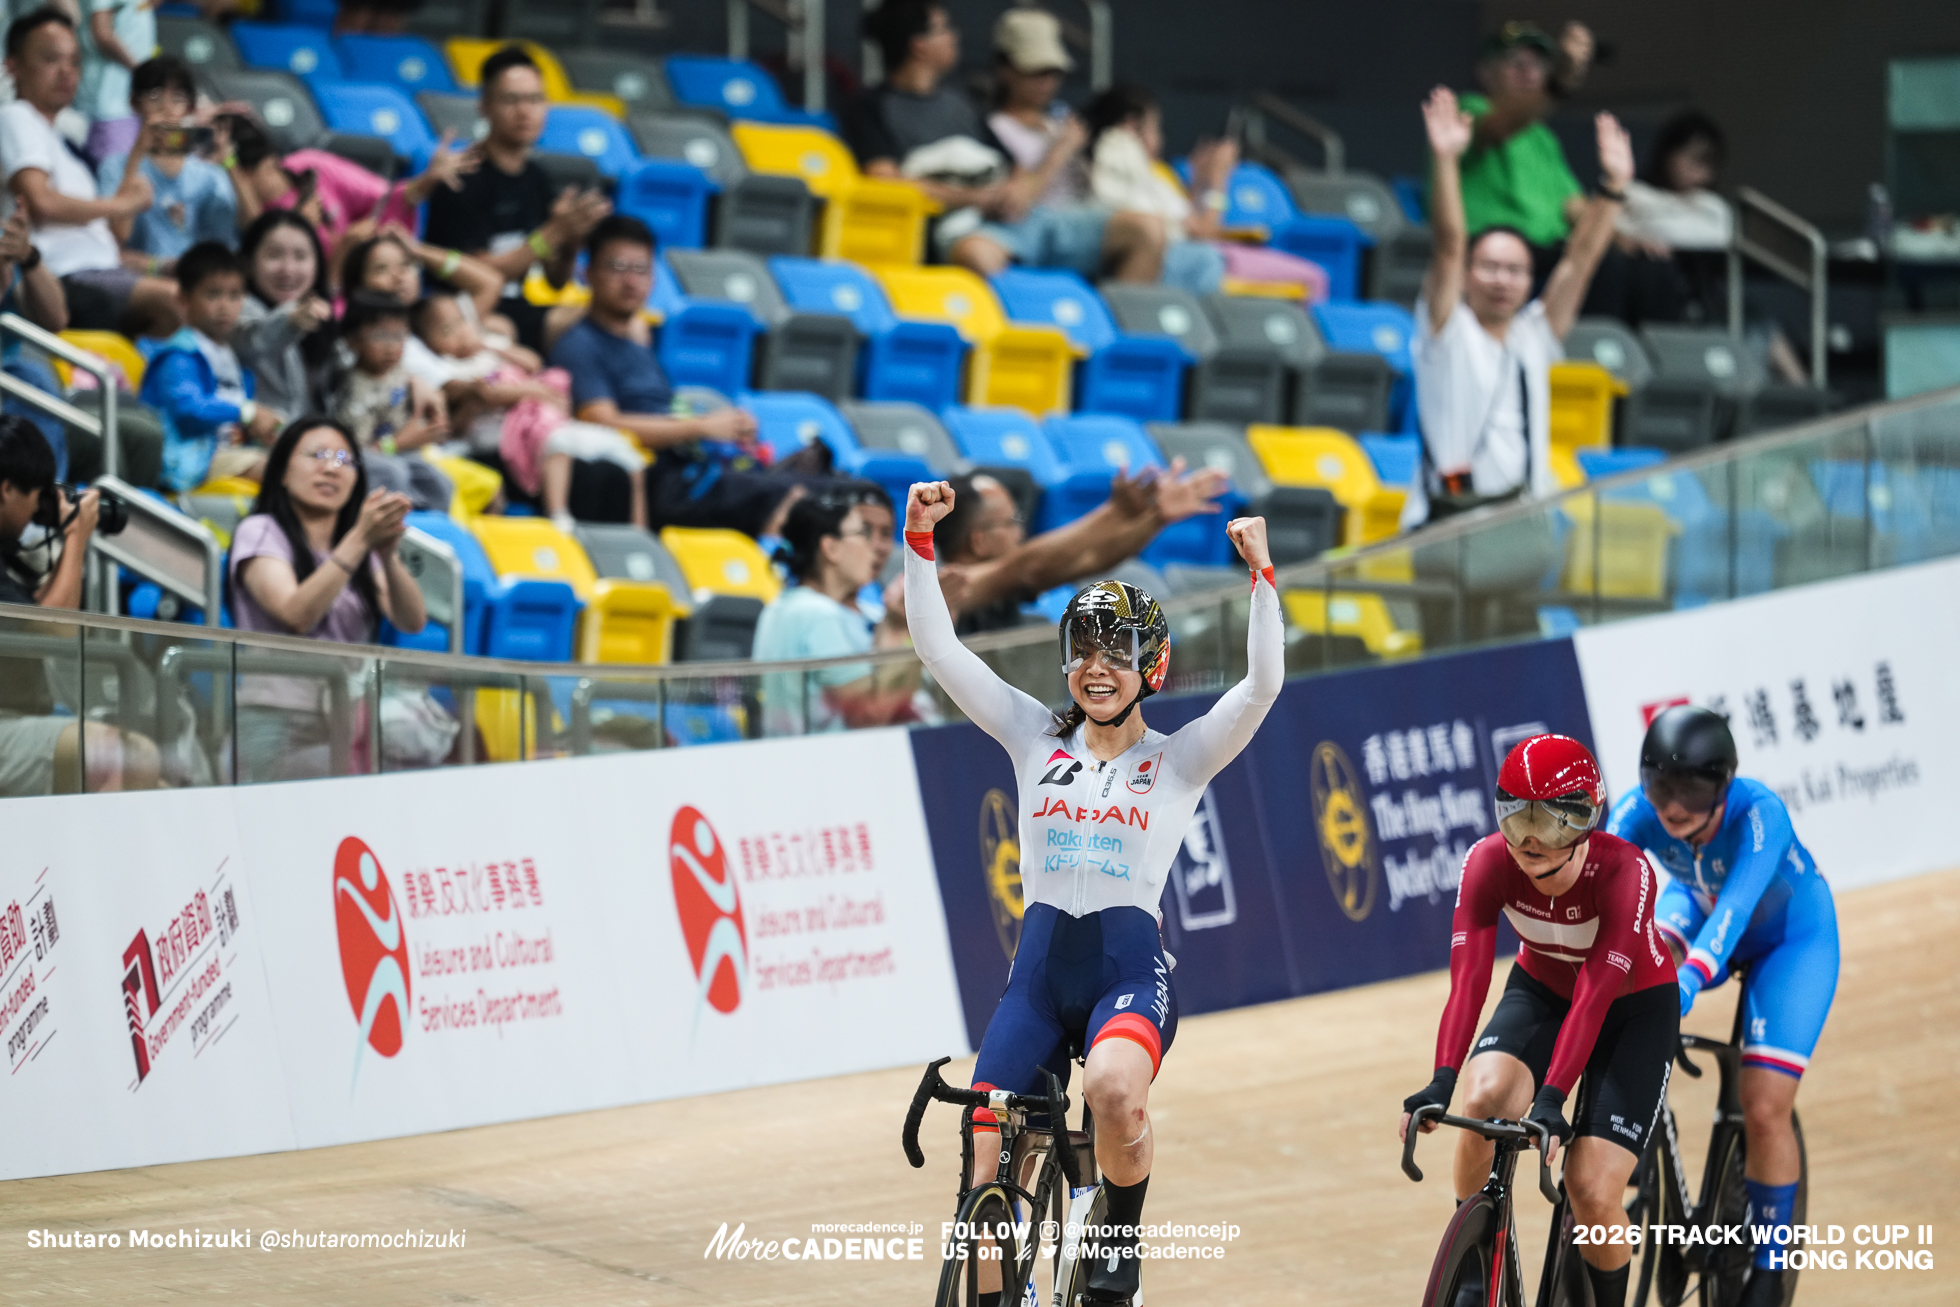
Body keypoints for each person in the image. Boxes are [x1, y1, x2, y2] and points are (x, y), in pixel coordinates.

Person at [905, 479, 1281, 1306]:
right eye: (1082, 650)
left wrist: (1261, 577)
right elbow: (939, 650)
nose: (1095, 668)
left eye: (1115, 653)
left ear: (1151, 665)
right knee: (984, 1161)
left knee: (1112, 1089)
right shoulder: (1032, 735)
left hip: (1126, 973)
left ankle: (1118, 1241)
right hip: (1038, 979)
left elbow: (1260, 688)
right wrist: (918, 540)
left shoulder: (1179, 758)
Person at [1398, 734, 1678, 1307]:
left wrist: (1551, 1097)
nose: (1529, 839)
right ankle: (1475, 1273)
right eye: (1516, 816)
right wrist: (1442, 1079)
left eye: (1548, 823)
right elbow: (1468, 984)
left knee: (1590, 1189)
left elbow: (1595, 996)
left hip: (1631, 1009)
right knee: (1483, 1102)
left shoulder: (1626, 872)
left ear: (1585, 820)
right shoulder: (1487, 862)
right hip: (1542, 989)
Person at [1604, 706, 1838, 1307]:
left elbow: (1731, 918)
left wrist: (1680, 987)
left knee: (1763, 1106)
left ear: (1725, 785)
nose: (1674, 806)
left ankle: (1770, 1269)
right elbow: (1594, 890)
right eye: (1661, 787)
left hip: (1789, 940)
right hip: (1698, 904)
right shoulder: (1637, 812)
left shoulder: (1761, 815)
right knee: (1632, 972)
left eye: (1692, 791)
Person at [1408, 86, 1630, 525]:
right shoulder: (1447, 331)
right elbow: (1449, 246)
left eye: (1515, 270)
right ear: (1467, 276)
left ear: (1530, 282)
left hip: (1523, 525)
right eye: (1489, 267)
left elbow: (1580, 261)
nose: (1502, 280)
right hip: (1448, 525)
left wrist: (1614, 187)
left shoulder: (1534, 336)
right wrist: (1446, 160)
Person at [845, 0, 1164, 283]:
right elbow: (885, 183)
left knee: (1146, 231)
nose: (955, 36)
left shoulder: (962, 105)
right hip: (965, 227)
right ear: (919, 45)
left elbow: (1013, 170)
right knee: (978, 257)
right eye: (945, 29)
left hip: (1027, 218)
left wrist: (1015, 193)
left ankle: (1112, 330)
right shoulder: (871, 107)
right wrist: (978, 199)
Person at [552, 214, 831, 534]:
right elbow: (602, 422)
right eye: (617, 267)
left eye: (641, 269)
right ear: (588, 273)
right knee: (793, 498)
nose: (630, 281)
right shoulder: (579, 344)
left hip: (693, 467)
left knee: (836, 489)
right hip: (660, 480)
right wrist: (702, 427)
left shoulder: (638, 341)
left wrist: (723, 429)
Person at [228, 418, 425, 782]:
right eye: (317, 455)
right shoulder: (259, 532)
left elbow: (412, 621)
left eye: (343, 459)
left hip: (347, 719)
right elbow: (296, 614)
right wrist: (360, 539)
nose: (331, 468)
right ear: (282, 471)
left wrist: (387, 556)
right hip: (275, 719)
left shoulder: (359, 548)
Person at [0, 413, 160, 794]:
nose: (37, 513)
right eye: (37, 496)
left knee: (159, 785)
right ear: (5, 490)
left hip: (18, 717)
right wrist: (76, 538)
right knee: (130, 756)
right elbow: (57, 631)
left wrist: (70, 537)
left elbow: (38, 614)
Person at [420, 44, 611, 353]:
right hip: (461, 311)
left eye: (535, 99)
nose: (525, 111)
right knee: (503, 329)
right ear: (484, 106)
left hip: (518, 308)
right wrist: (554, 232)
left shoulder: (537, 177)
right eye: (511, 100)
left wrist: (570, 244)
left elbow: (556, 281)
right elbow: (484, 274)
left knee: (614, 321)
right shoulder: (463, 177)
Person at [0, 7, 176, 334]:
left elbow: (116, 235)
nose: (66, 72)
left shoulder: (67, 145)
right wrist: (121, 204)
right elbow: (40, 202)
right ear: (12, 65)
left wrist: (136, 156)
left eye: (75, 62)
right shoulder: (15, 116)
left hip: (104, 271)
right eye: (51, 59)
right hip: (65, 278)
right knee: (178, 302)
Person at [411, 290, 643, 529]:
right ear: (427, 344)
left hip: (544, 419)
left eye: (461, 322)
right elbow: (490, 394)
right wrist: (533, 391)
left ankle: (639, 533)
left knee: (626, 452)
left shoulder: (490, 348)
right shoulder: (448, 371)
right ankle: (559, 519)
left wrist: (491, 347)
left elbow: (533, 363)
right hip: (502, 434)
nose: (460, 333)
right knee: (560, 442)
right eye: (446, 330)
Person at [927, 464, 1228, 634]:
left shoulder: (1006, 587)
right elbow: (1026, 567)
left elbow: (1093, 557)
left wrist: (1155, 518)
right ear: (979, 541)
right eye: (1012, 521)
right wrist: (1114, 513)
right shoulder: (942, 590)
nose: (1021, 531)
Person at [214, 112, 476, 278]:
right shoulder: (236, 205)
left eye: (272, 168)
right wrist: (312, 231)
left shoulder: (311, 165)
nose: (274, 182)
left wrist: (427, 181)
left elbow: (386, 200)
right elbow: (255, 230)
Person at [753, 491, 917, 734]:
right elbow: (868, 716)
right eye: (863, 533)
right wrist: (905, 632)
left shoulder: (783, 606)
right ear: (830, 547)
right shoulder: (818, 614)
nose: (874, 547)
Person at [138, 240, 284, 491]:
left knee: (306, 458)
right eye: (213, 294)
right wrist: (247, 413)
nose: (225, 306)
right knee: (278, 471)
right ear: (183, 299)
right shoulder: (180, 355)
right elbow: (188, 408)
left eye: (234, 295)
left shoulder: (231, 357)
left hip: (225, 454)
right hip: (187, 464)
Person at [1083, 84, 1251, 297]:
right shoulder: (1121, 157)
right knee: (1207, 260)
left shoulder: (1147, 171)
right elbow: (1204, 233)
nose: (1160, 139)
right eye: (1154, 128)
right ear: (1131, 125)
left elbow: (1187, 220)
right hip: (1141, 264)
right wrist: (1219, 179)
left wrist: (1200, 181)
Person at [1448, 21, 1596, 255]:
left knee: (1636, 265)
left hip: (1550, 251)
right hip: (1492, 250)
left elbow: (1573, 206)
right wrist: (1558, 83)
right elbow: (1497, 128)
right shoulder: (1467, 109)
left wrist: (1621, 236)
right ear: (1485, 72)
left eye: (1538, 65)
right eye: (1516, 63)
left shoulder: (1543, 137)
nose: (1529, 72)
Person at [97, 57, 237, 275]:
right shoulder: (114, 167)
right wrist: (136, 156)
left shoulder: (210, 176)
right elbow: (115, 240)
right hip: (136, 282)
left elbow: (224, 248)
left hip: (197, 282)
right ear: (134, 103)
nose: (166, 107)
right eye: (154, 96)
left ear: (189, 107)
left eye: (177, 97)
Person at [333, 291, 453, 512]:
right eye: (380, 336)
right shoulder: (355, 392)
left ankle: (435, 526)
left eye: (399, 336)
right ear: (352, 341)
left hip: (402, 451)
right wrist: (399, 443)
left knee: (440, 482)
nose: (392, 346)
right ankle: (391, 524)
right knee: (393, 473)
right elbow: (356, 452)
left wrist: (433, 401)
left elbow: (420, 388)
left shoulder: (397, 370)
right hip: (359, 457)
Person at [232, 209, 337, 421]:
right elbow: (247, 342)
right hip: (250, 436)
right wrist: (291, 321)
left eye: (300, 256)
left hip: (310, 437)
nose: (288, 269)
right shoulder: (237, 308)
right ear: (248, 263)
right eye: (274, 255)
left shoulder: (321, 315)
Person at [77, 0, 157, 164]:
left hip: (128, 108)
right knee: (115, 173)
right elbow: (102, 33)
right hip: (107, 109)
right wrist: (141, 73)